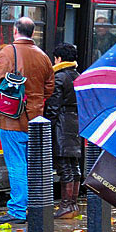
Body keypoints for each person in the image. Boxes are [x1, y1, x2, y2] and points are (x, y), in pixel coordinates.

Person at [0, 17, 54, 224]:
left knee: (16, 164)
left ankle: (17, 210)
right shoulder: (43, 56)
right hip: (35, 119)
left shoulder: (8, 52)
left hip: (12, 119)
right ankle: (32, 205)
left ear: (15, 31)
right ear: (32, 33)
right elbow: (49, 88)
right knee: (31, 164)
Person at [45, 43, 82, 219]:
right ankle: (72, 204)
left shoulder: (59, 78)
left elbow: (53, 107)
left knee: (64, 166)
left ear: (59, 59)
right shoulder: (77, 75)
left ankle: (66, 205)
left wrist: (46, 127)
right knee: (73, 164)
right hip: (75, 124)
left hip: (62, 125)